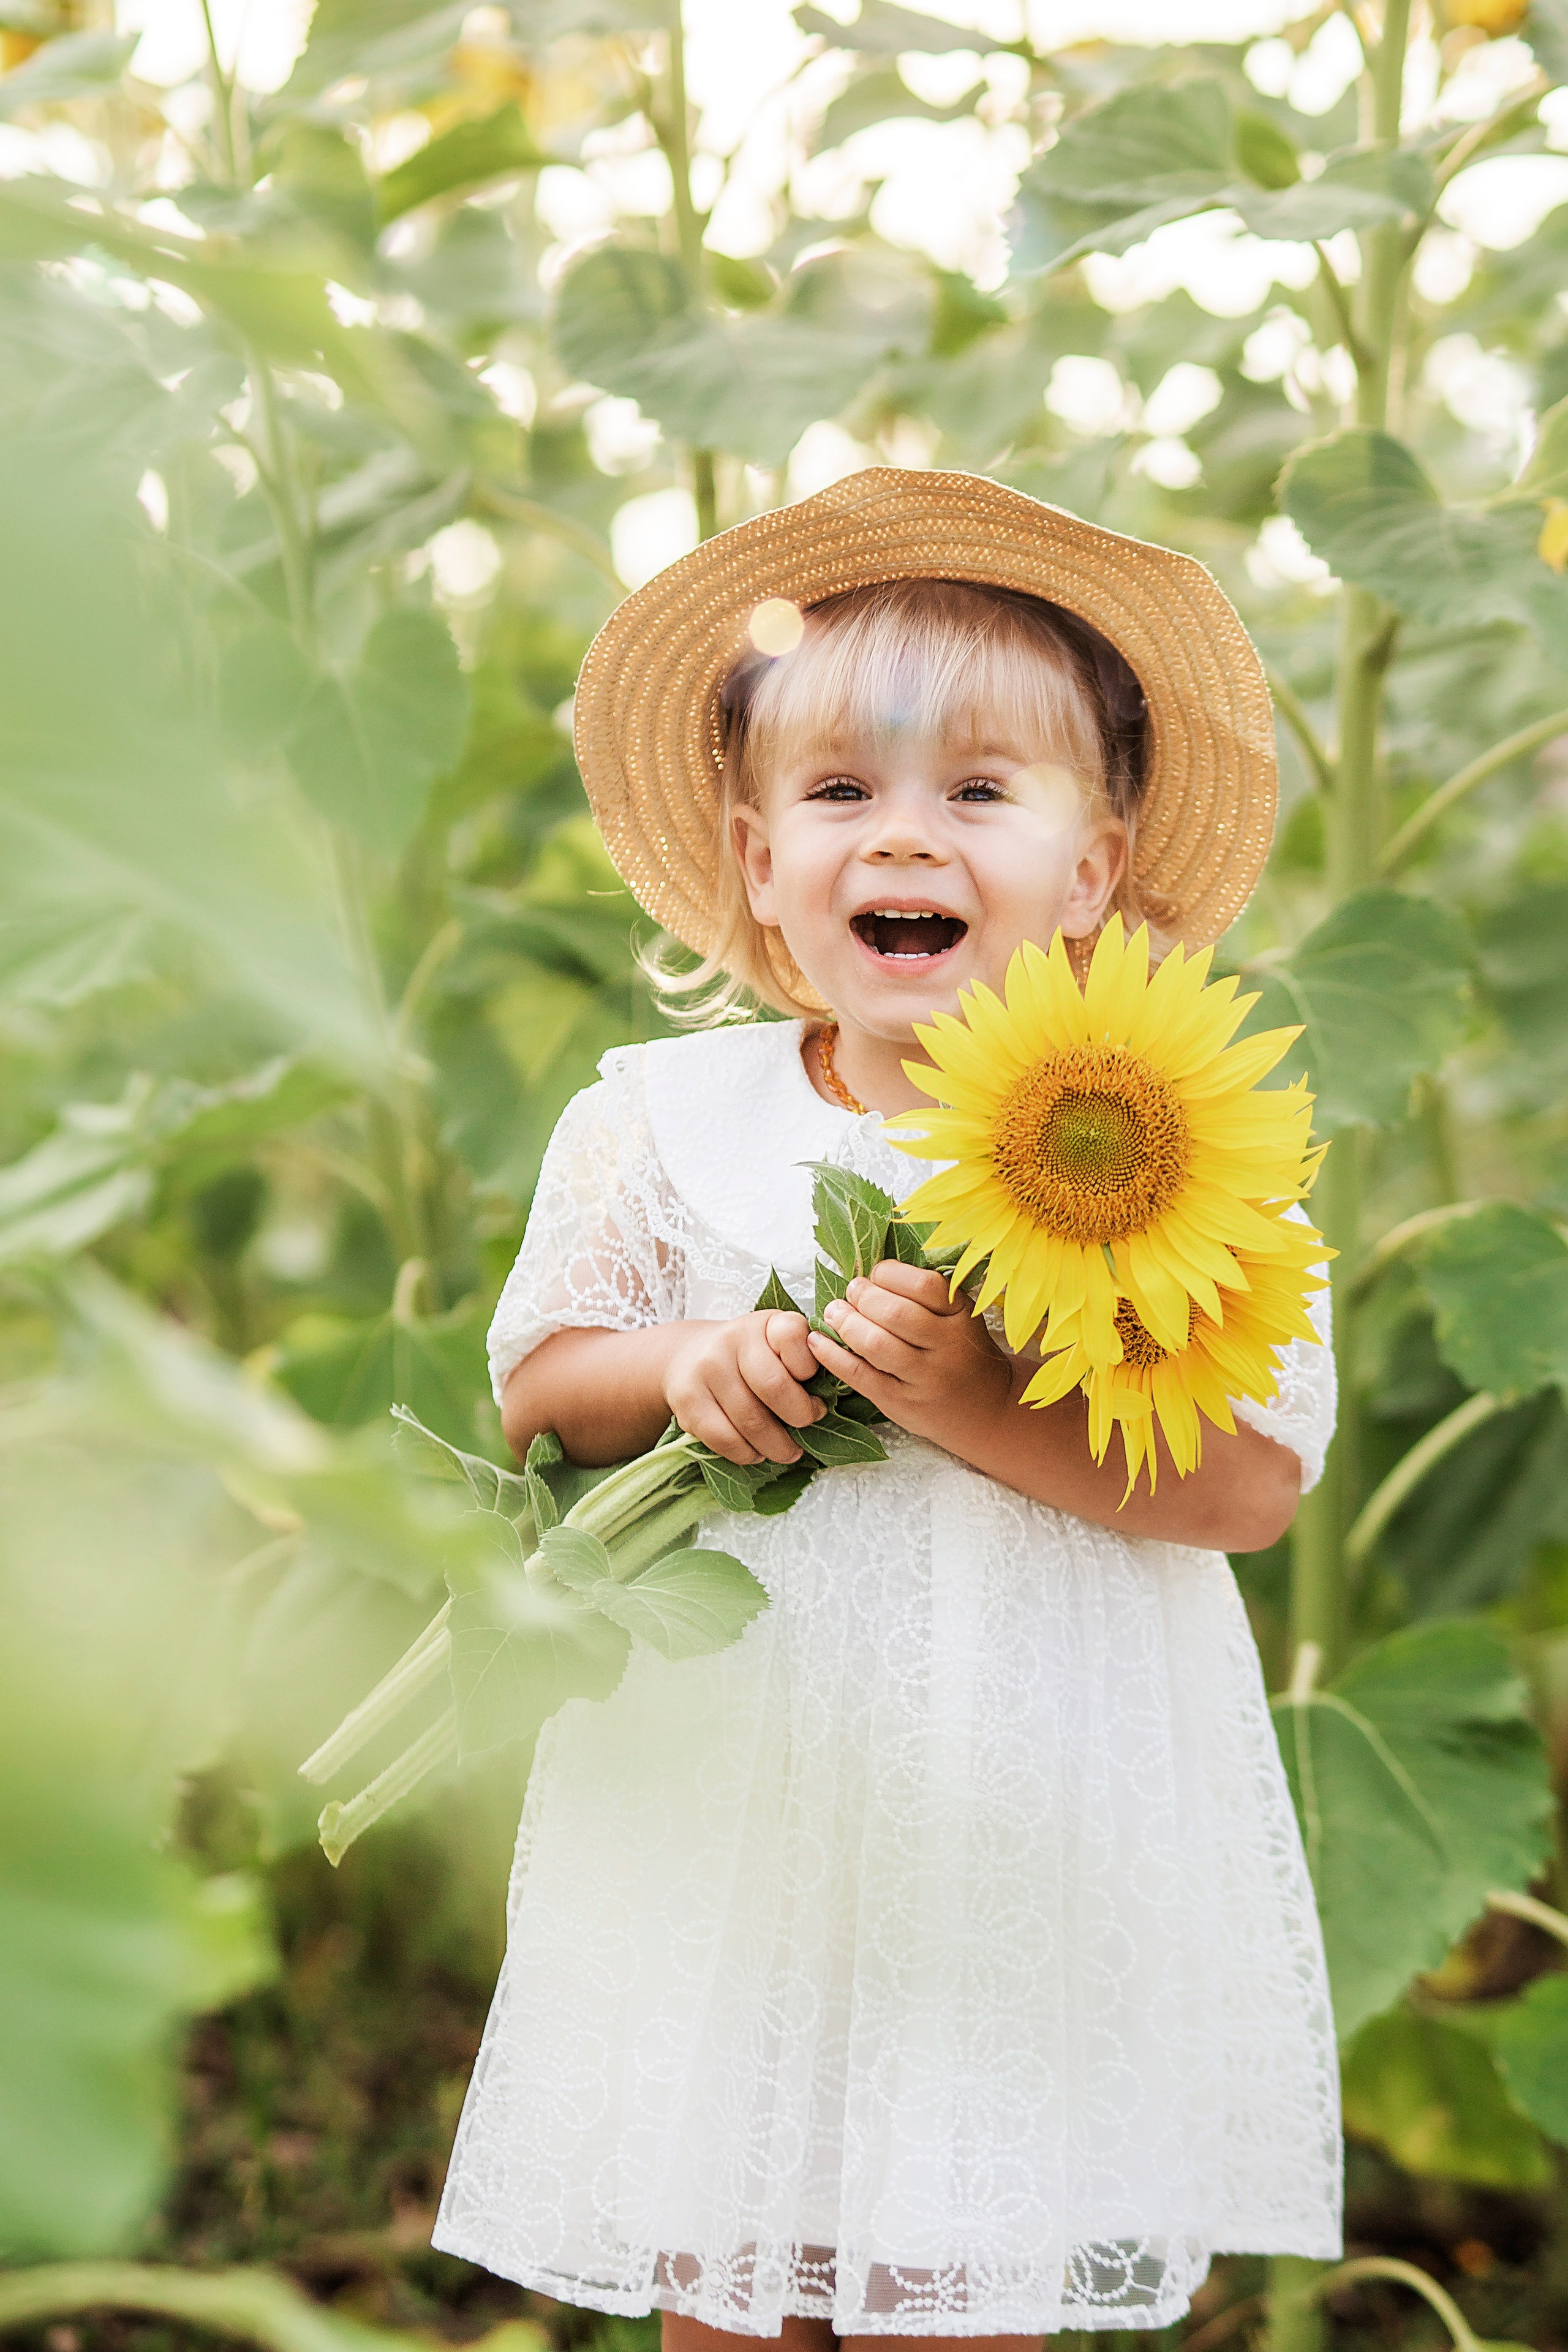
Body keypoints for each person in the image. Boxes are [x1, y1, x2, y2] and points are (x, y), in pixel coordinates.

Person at [431, 470, 1341, 2346]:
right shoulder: (662, 1124)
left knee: (956, 2278)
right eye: (842, 794)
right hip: (741, 1797)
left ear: (1093, 869)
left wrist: (979, 1405)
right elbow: (538, 1390)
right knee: (726, 2260)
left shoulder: (1174, 1138)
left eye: (978, 794)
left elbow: (1250, 1482)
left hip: (1021, 1813)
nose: (902, 836)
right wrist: (687, 1370)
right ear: (759, 862)